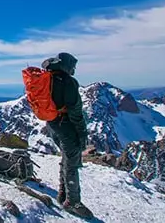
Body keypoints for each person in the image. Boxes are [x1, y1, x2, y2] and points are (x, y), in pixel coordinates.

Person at [41, 52, 94, 219]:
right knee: (71, 161)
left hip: (52, 124)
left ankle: (63, 194)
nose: (74, 70)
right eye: (73, 66)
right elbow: (75, 111)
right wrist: (82, 132)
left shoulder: (48, 78)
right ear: (67, 66)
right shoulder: (68, 82)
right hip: (65, 125)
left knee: (66, 156)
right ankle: (72, 201)